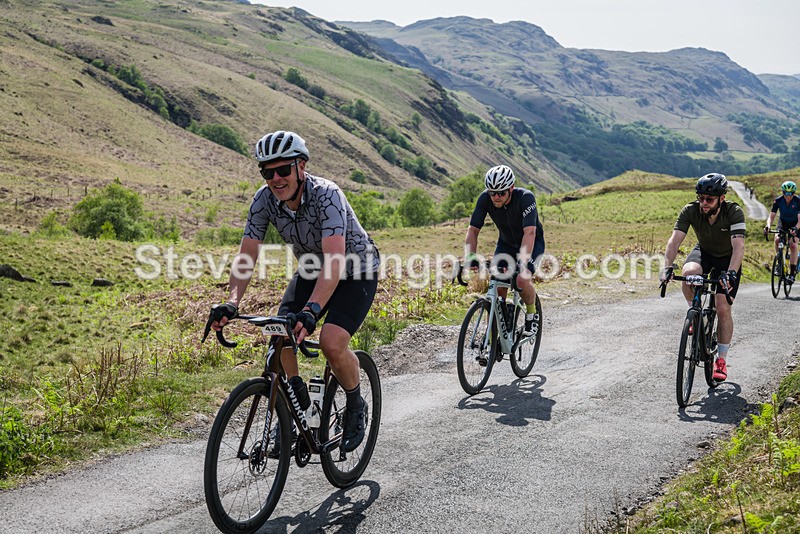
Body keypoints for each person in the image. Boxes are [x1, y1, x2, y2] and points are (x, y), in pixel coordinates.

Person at [210, 130, 380, 452]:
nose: (275, 179)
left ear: (301, 167)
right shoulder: (264, 200)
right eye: (267, 171)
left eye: (283, 170)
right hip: (314, 269)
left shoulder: (327, 195)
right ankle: (295, 404)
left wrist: (313, 310)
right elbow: (246, 255)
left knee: (331, 341)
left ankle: (356, 404)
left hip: (356, 269)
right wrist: (231, 301)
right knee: (279, 332)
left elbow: (335, 260)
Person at [660, 173, 746, 382]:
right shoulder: (690, 210)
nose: (704, 203)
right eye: (701, 198)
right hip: (704, 252)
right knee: (689, 274)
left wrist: (731, 273)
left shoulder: (734, 212)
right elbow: (674, 241)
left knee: (723, 305)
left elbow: (738, 247)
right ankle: (697, 312)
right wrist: (667, 267)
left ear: (721, 199)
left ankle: (721, 360)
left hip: (728, 259)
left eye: (709, 199)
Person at [464, 164, 545, 338]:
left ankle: (532, 314)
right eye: (493, 193)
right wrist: (470, 256)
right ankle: (496, 333)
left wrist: (522, 263)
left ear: (511, 188)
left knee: (521, 280)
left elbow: (529, 232)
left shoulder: (525, 198)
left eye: (501, 193)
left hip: (531, 242)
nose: (496, 197)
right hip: (506, 244)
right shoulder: (485, 199)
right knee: (498, 285)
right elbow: (473, 230)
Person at [763, 180, 800, 283]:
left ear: (794, 193)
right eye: (786, 193)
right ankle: (779, 264)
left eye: (791, 193)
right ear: (782, 192)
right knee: (777, 240)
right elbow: (772, 215)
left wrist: (796, 228)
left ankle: (792, 274)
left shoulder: (798, 201)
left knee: (793, 245)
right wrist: (768, 226)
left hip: (796, 223)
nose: (788, 196)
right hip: (783, 222)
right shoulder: (778, 201)